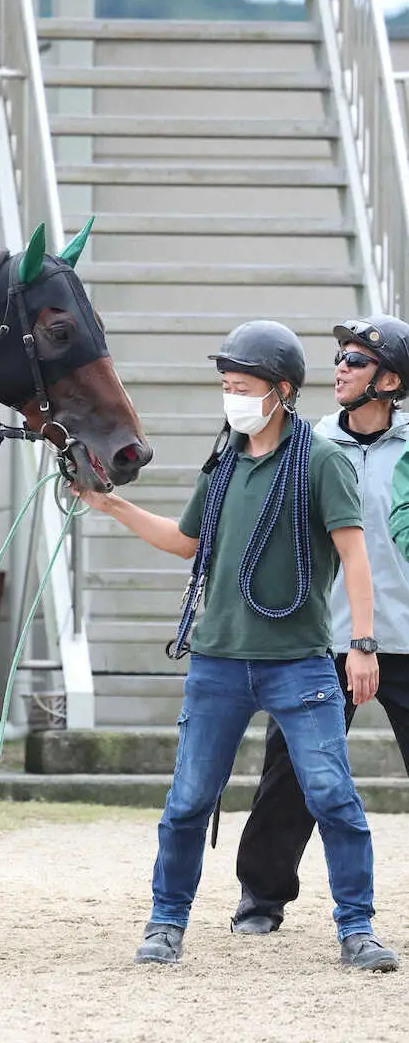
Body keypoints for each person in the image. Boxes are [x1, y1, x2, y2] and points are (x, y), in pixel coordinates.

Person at [80, 320, 398, 972]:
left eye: (242, 386)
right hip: (218, 663)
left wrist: (360, 643)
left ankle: (356, 928)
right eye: (226, 386)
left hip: (301, 664)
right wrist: (112, 507)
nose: (231, 397)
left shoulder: (321, 460)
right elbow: (187, 542)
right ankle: (165, 922)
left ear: (280, 391)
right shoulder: (223, 463)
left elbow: (354, 556)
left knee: (332, 796)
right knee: (188, 801)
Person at [231, 315, 409, 935]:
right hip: (323, 639)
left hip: (408, 638)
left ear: (390, 380)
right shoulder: (304, 444)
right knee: (291, 775)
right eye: (338, 357)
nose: (339, 368)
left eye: (356, 361)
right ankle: (261, 898)